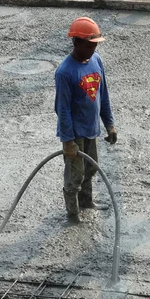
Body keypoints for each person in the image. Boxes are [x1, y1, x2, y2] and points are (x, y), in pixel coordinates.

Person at [55, 17, 118, 222]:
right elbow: (62, 109)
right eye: (90, 45)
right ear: (77, 42)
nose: (93, 48)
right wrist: (68, 141)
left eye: (95, 44)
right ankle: (73, 213)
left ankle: (86, 201)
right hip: (75, 133)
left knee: (90, 168)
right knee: (75, 175)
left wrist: (109, 124)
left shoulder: (96, 61)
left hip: (92, 128)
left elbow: (103, 95)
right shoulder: (65, 72)